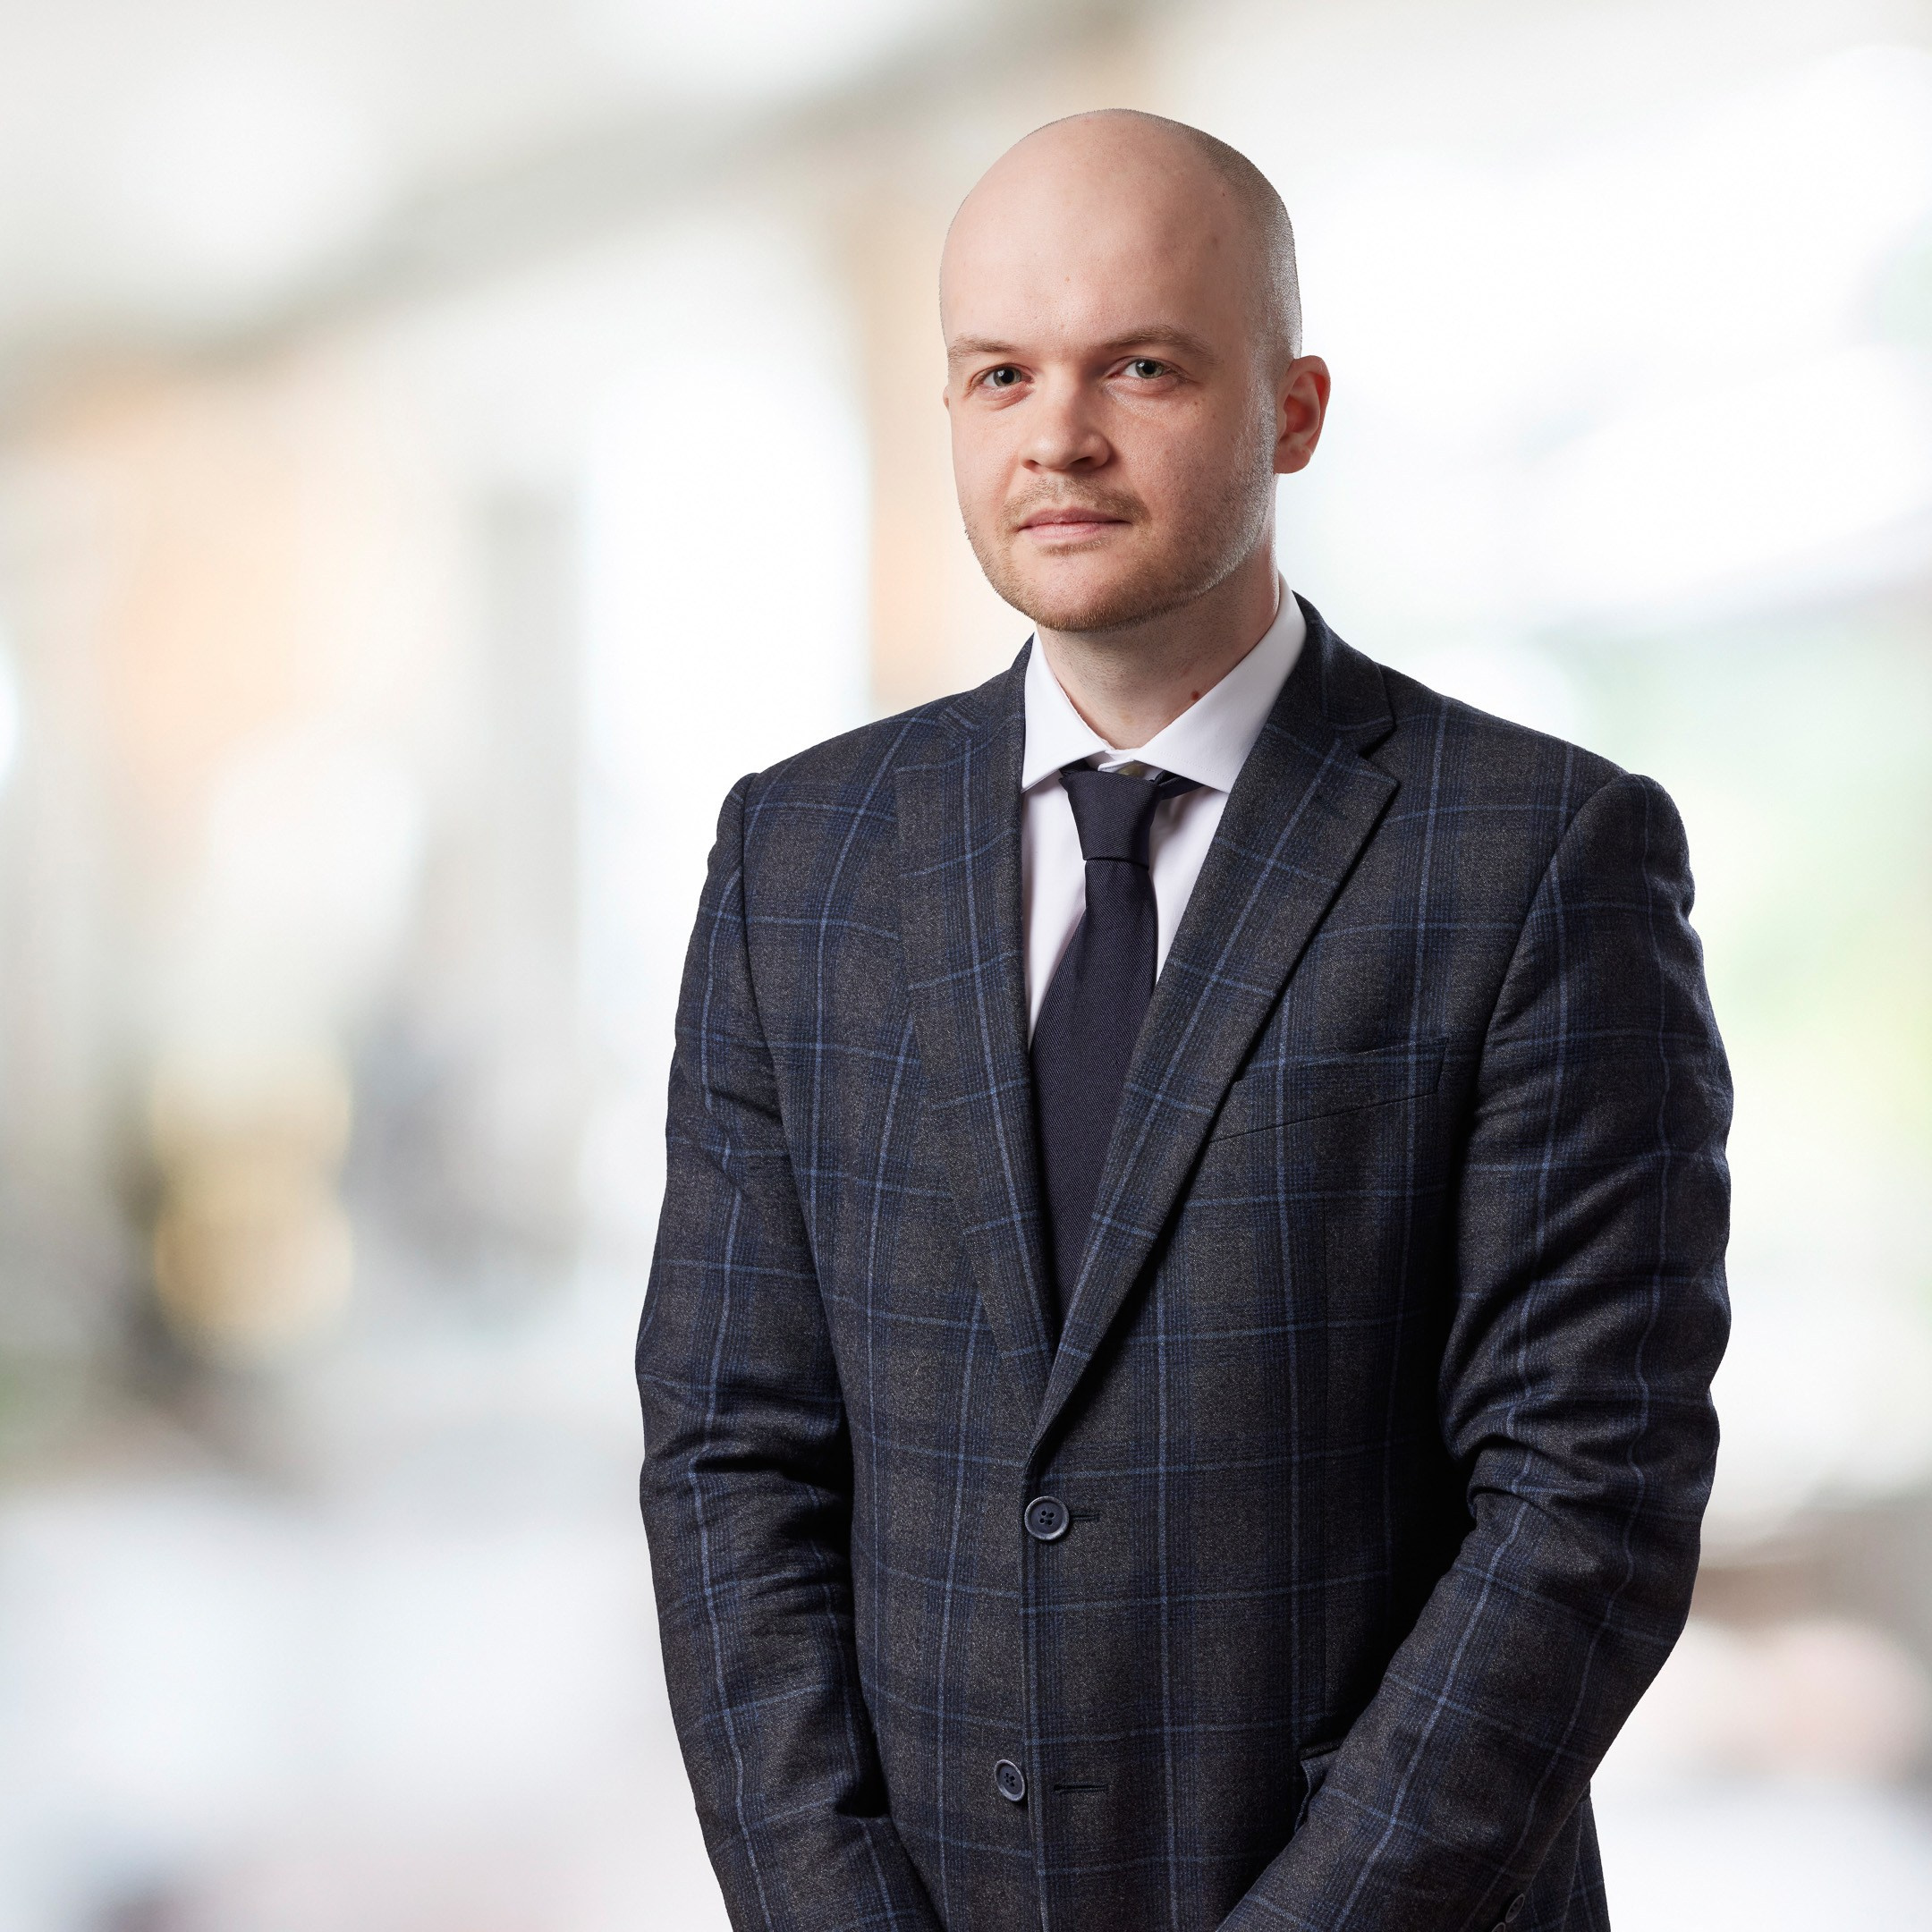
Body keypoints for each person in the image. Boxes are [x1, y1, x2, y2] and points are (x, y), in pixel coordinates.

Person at [637, 109, 1731, 1932]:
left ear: (1294, 412)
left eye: (1138, 366)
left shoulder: (1539, 856)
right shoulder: (796, 856)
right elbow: (727, 1453)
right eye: (999, 374)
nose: (1057, 435)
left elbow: (1587, 1501)